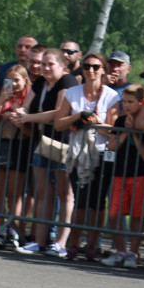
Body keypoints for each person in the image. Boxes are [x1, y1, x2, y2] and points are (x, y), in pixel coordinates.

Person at [53, 52, 119, 260]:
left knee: (97, 201)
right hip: (77, 153)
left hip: (102, 152)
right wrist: (77, 116)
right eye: (87, 66)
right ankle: (74, 244)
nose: (91, 70)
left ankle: (92, 246)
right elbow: (59, 123)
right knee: (80, 200)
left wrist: (91, 122)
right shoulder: (72, 93)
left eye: (96, 67)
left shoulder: (111, 96)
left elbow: (112, 128)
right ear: (82, 69)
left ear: (103, 70)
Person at [15, 48, 80, 256]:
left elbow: (58, 113)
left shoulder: (68, 82)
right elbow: (27, 106)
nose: (46, 68)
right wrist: (19, 113)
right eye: (43, 64)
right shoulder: (40, 82)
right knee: (43, 193)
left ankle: (60, 243)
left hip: (64, 143)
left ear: (62, 66)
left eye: (50, 64)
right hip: (42, 142)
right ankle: (39, 241)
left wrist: (27, 118)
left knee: (65, 194)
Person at [101, 84, 144, 267]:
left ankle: (132, 254)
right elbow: (111, 147)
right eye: (124, 102)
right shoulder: (120, 121)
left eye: (131, 102)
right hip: (119, 174)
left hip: (139, 175)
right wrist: (125, 131)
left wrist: (134, 134)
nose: (126, 105)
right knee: (113, 215)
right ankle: (120, 251)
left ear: (141, 103)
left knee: (137, 217)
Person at [0, 64, 33, 248]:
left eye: (17, 80)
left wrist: (19, 119)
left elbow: (31, 130)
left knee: (14, 193)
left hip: (20, 145)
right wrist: (1, 99)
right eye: (10, 80)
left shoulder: (29, 99)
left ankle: (14, 231)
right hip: (2, 143)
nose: (13, 84)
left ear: (25, 81)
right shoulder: (4, 95)